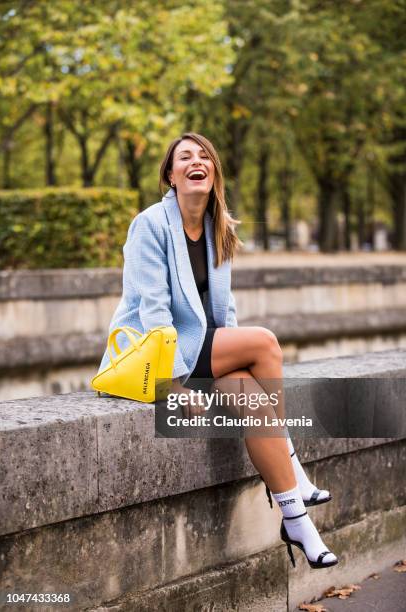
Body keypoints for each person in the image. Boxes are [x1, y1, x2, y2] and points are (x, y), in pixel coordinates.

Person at [97, 132, 338, 570]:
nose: (196, 160)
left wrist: (234, 356)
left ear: (213, 172)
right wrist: (171, 386)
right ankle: (295, 469)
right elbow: (154, 313)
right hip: (157, 358)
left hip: (201, 349)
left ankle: (296, 519)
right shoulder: (150, 224)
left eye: (204, 155)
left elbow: (223, 310)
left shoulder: (218, 225)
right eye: (184, 156)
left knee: (255, 400)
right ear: (170, 176)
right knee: (265, 341)